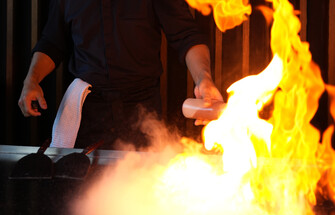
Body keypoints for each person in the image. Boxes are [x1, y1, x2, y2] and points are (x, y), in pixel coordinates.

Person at [18, 0, 223, 149]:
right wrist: (32, 80)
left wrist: (204, 78)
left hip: (142, 111)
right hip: (87, 112)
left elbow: (186, 35)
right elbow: (52, 42)